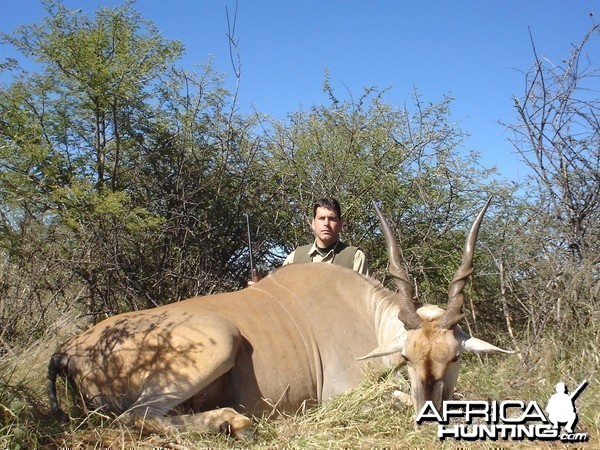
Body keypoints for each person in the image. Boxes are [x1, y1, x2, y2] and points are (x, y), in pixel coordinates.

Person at [282, 198, 369, 275]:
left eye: (331, 219)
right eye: (321, 218)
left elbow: (361, 293)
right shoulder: (295, 257)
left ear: (340, 224)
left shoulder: (355, 257)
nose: (326, 223)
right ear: (313, 223)